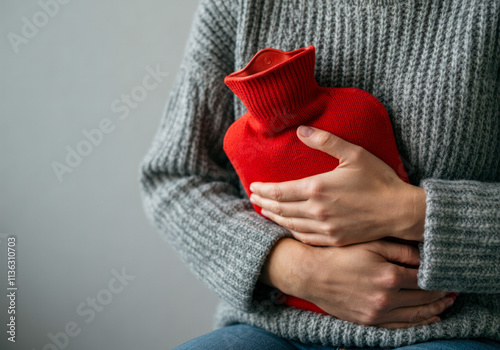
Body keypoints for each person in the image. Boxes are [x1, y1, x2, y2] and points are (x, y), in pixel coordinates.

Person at [138, 0, 500, 349]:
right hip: (275, 325)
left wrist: (410, 212)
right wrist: (299, 271)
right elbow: (173, 178)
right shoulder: (239, 4)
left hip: (458, 327)